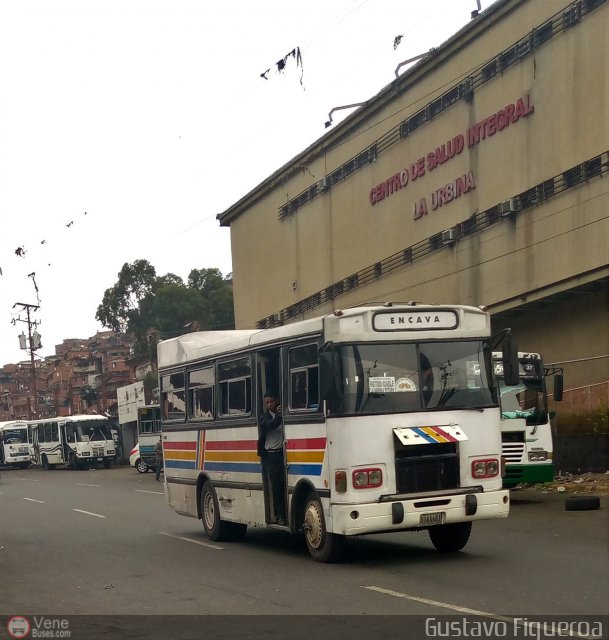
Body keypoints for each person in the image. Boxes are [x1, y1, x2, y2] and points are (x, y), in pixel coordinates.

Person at [257, 391, 286, 525]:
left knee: (286, 484)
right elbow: (270, 425)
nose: (269, 405)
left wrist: (282, 414)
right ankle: (279, 514)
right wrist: (279, 416)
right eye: (267, 403)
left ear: (277, 401)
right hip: (272, 455)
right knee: (276, 485)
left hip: (284, 453)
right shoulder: (264, 417)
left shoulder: (284, 413)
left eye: (271, 402)